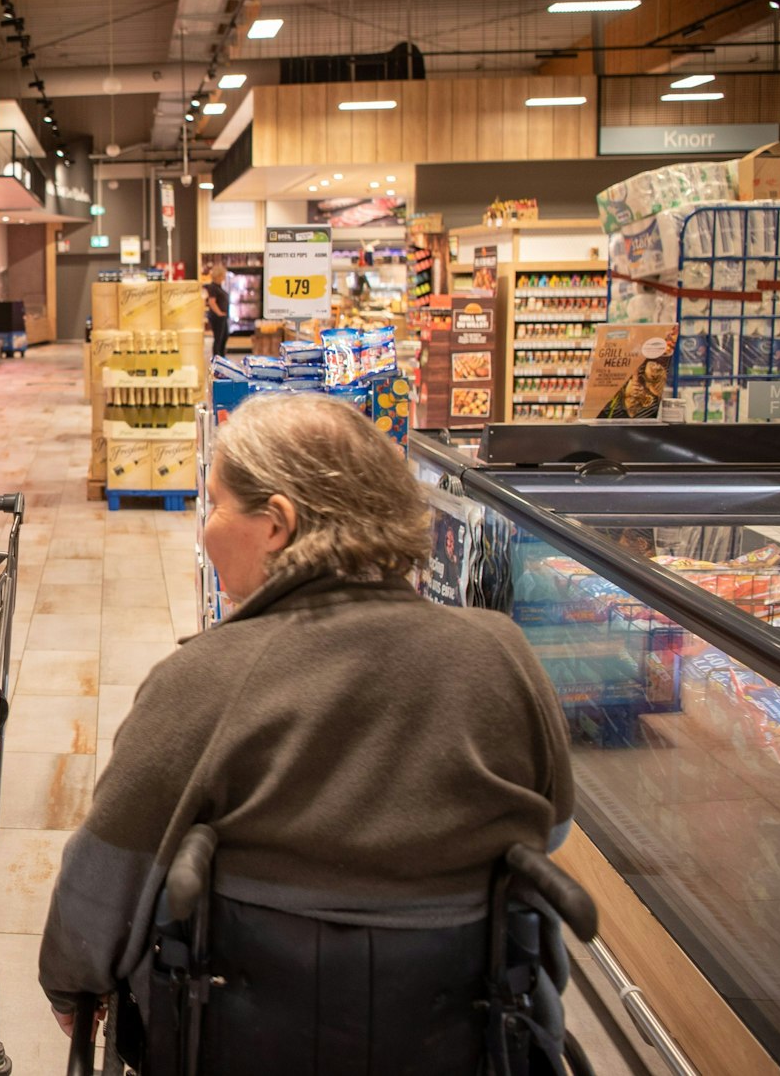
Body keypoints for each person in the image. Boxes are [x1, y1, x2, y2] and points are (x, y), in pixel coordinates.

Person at [39, 391, 573, 1072]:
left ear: (278, 524)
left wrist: (71, 986)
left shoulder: (199, 681)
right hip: (470, 1046)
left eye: (218, 503)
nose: (206, 527)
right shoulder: (502, 658)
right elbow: (549, 832)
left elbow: (101, 890)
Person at [202, 264, 229, 340]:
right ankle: (217, 352)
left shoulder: (218, 287)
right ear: (219, 276)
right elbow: (212, 302)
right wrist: (219, 313)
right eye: (223, 275)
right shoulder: (213, 287)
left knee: (224, 337)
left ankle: (221, 352)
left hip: (222, 316)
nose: (224, 277)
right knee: (219, 338)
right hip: (217, 317)